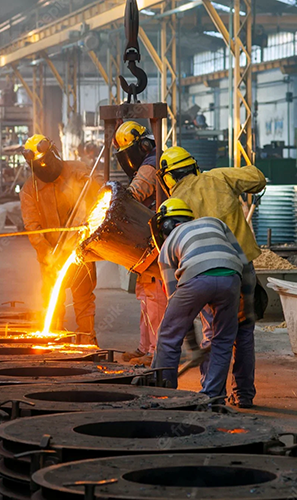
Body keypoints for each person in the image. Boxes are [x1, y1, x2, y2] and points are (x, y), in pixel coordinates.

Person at [157, 147, 266, 407]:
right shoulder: (218, 177)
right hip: (239, 266)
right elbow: (258, 178)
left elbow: (175, 292)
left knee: (212, 333)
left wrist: (188, 339)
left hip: (201, 272)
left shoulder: (176, 204)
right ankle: (243, 395)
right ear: (192, 166)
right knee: (242, 332)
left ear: (168, 177)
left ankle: (208, 395)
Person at [150, 199, 247, 398]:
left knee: (168, 335)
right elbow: (242, 259)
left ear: (167, 225)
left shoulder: (168, 245)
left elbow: (174, 301)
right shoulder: (215, 222)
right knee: (222, 340)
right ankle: (213, 398)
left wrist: (192, 346)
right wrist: (248, 299)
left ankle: (162, 395)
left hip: (196, 276)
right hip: (232, 277)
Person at [19, 134, 102, 343]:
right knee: (53, 301)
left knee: (83, 298)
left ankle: (87, 340)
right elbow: (32, 228)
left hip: (79, 250)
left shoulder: (77, 169)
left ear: (54, 153)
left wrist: (91, 182)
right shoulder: (30, 189)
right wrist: (48, 255)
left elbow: (99, 192)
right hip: (51, 255)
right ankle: (56, 342)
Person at [113, 121, 167, 366]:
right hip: (149, 241)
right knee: (145, 295)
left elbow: (134, 194)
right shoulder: (151, 160)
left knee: (155, 297)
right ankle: (145, 347)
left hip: (160, 241)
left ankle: (157, 351)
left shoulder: (152, 164)